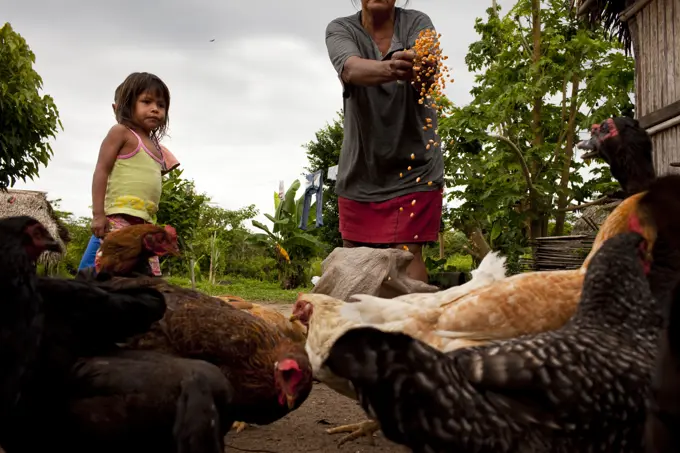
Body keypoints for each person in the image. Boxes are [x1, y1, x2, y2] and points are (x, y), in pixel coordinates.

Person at [325, 0, 445, 283]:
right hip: (361, 170)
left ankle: (409, 327)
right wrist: (395, 68)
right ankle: (356, 327)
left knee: (407, 256)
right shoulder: (341, 29)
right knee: (354, 262)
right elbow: (351, 70)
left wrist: (421, 67)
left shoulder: (417, 23)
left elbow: (427, 71)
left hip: (415, 167)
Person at [77, 72, 177, 276]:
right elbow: (101, 170)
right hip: (118, 217)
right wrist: (98, 215)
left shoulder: (158, 148)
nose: (155, 109)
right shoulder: (121, 132)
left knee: (144, 277)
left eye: (161, 105)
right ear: (128, 104)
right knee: (103, 270)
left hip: (144, 223)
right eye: (146, 101)